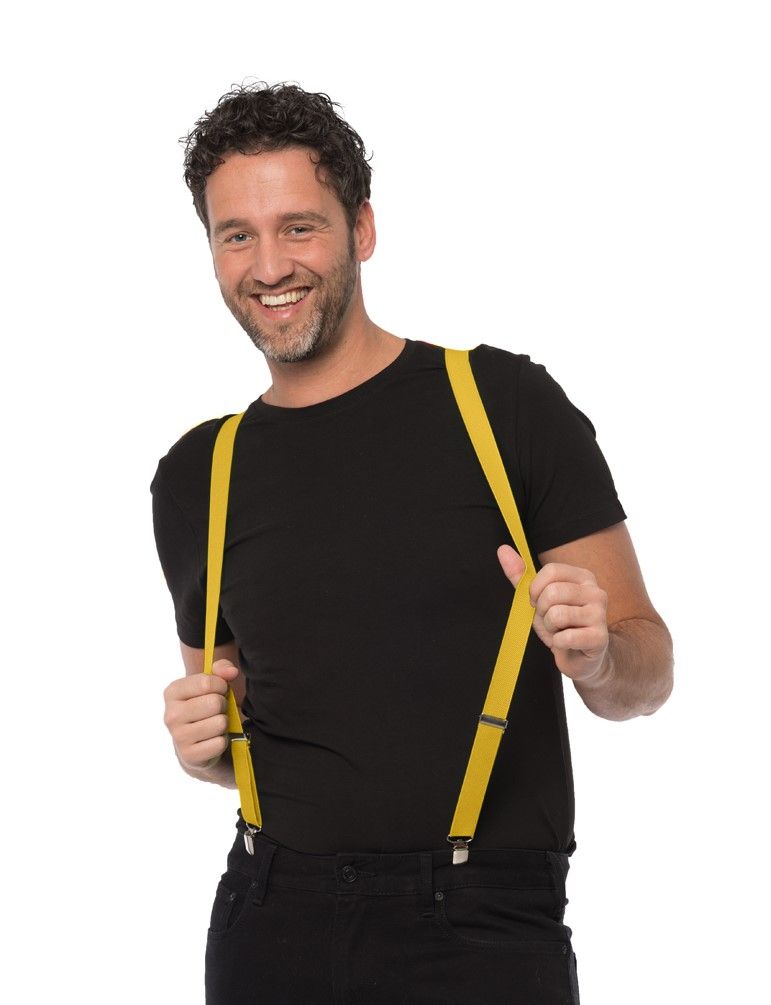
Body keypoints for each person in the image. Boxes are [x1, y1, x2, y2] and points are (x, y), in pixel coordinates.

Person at [150, 81, 674, 1004]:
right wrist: (204, 750)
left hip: (482, 926)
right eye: (237, 235)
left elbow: (647, 672)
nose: (268, 264)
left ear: (361, 228)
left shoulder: (503, 405)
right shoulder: (199, 472)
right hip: (271, 916)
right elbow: (238, 730)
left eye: (298, 227)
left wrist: (597, 657)